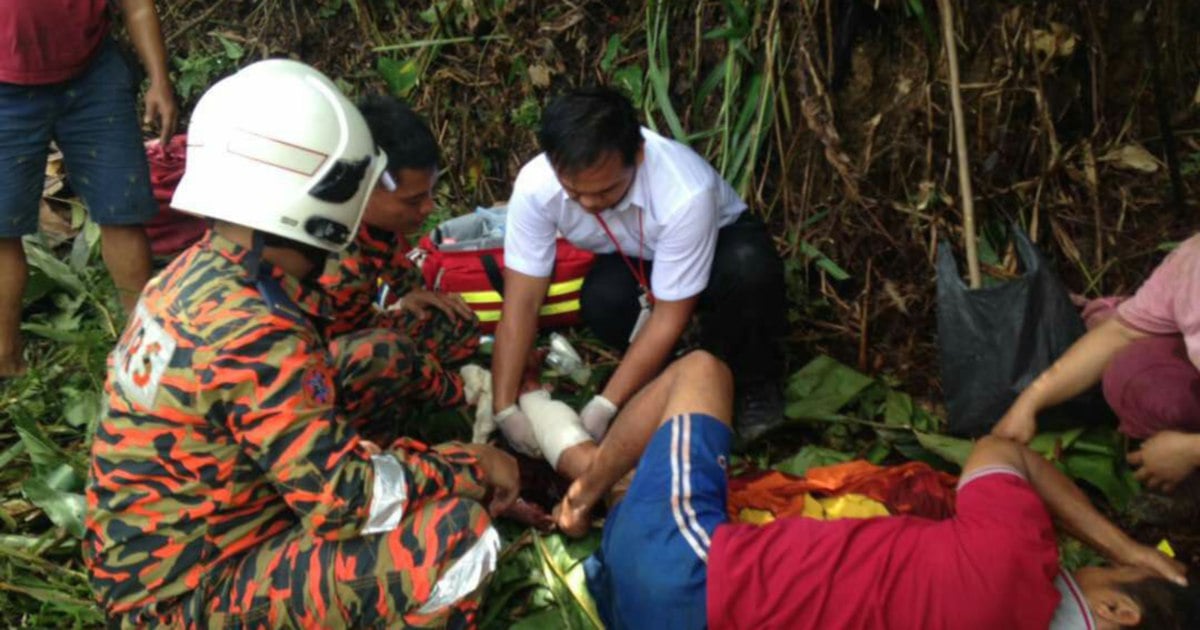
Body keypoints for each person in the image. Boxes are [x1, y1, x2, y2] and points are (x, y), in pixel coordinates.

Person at [84, 60, 518, 628]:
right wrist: (471, 466)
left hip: (163, 555)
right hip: (184, 599)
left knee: (369, 368)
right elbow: (344, 500)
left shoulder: (194, 274)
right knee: (456, 536)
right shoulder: (255, 327)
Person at [553, 351, 1195, 629]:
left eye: (1106, 572)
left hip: (679, 582)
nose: (1090, 569)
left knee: (702, 371)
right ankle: (620, 495)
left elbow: (1003, 453)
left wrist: (1129, 548)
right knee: (648, 493)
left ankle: (585, 492)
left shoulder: (1017, 561)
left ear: (1117, 610)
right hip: (648, 614)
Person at [491, 87, 787, 459]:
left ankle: (753, 381)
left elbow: (667, 315)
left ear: (639, 155)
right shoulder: (536, 187)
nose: (589, 204)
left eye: (605, 191)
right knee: (602, 300)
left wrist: (604, 407)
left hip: (720, 250)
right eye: (575, 192)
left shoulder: (684, 191)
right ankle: (669, 370)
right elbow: (521, 303)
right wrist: (504, 408)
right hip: (637, 255)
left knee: (748, 271)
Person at [0, 0, 177, 377]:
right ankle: (6, 359)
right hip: (6, 88)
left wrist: (159, 81)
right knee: (2, 229)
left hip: (92, 77)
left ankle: (145, 350)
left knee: (122, 212)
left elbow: (138, 7)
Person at [318, 95, 480, 436]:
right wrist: (459, 391)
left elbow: (394, 265)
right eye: (413, 200)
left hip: (359, 335)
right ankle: (373, 441)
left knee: (455, 321)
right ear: (363, 189)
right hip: (314, 376)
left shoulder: (374, 223)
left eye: (430, 193)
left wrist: (412, 292)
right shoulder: (338, 264)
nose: (427, 208)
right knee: (383, 355)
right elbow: (365, 347)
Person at [993, 235, 1200, 494]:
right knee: (1136, 369)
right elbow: (1121, 333)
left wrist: (1189, 450)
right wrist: (1030, 400)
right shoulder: (1192, 262)